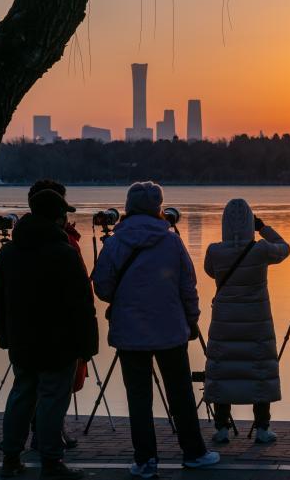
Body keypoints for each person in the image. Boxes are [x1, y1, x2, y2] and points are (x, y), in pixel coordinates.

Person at [92, 182, 219, 477]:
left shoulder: (114, 243)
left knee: (138, 398)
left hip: (129, 331)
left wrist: (125, 299)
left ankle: (146, 460)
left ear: (127, 207)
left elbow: (101, 286)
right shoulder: (172, 242)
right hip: (170, 330)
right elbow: (188, 286)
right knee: (181, 394)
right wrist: (192, 320)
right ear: (159, 208)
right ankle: (194, 452)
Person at [0, 188, 98, 479]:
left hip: (22, 339)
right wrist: (88, 344)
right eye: (63, 214)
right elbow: (81, 304)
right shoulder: (64, 253)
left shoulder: (9, 251)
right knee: (52, 398)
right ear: (57, 217)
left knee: (22, 394)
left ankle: (10, 458)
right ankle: (51, 461)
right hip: (58, 342)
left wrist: (3, 336)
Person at [203, 199, 290, 445]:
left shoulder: (214, 250)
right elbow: (284, 248)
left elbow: (211, 272)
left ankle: (221, 428)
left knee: (223, 369)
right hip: (256, 320)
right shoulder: (262, 250)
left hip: (224, 321)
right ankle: (262, 427)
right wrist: (263, 228)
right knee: (259, 369)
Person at [25, 180, 87, 452]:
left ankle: (19, 449)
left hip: (25, 327)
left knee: (28, 386)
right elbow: (79, 287)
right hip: (61, 326)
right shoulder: (64, 243)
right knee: (57, 385)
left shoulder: (19, 243)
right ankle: (50, 443)